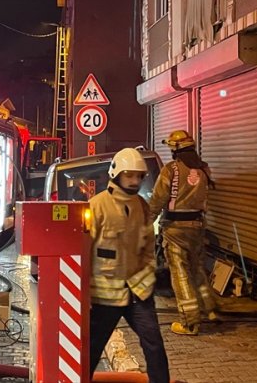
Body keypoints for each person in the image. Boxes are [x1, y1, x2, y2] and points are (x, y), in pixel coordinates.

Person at [88, 148, 169, 383]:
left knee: (154, 345)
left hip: (138, 293)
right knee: (92, 349)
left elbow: (147, 248)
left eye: (138, 176)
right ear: (116, 174)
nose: (134, 181)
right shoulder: (97, 206)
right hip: (104, 297)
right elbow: (85, 250)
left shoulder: (141, 207)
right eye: (129, 175)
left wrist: (148, 278)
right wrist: (84, 294)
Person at [148, 130, 219, 335]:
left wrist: (145, 224)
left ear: (175, 150)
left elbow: (158, 200)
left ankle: (190, 322)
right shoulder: (204, 169)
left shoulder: (171, 170)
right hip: (197, 227)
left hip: (175, 229)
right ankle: (210, 309)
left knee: (180, 273)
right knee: (196, 268)